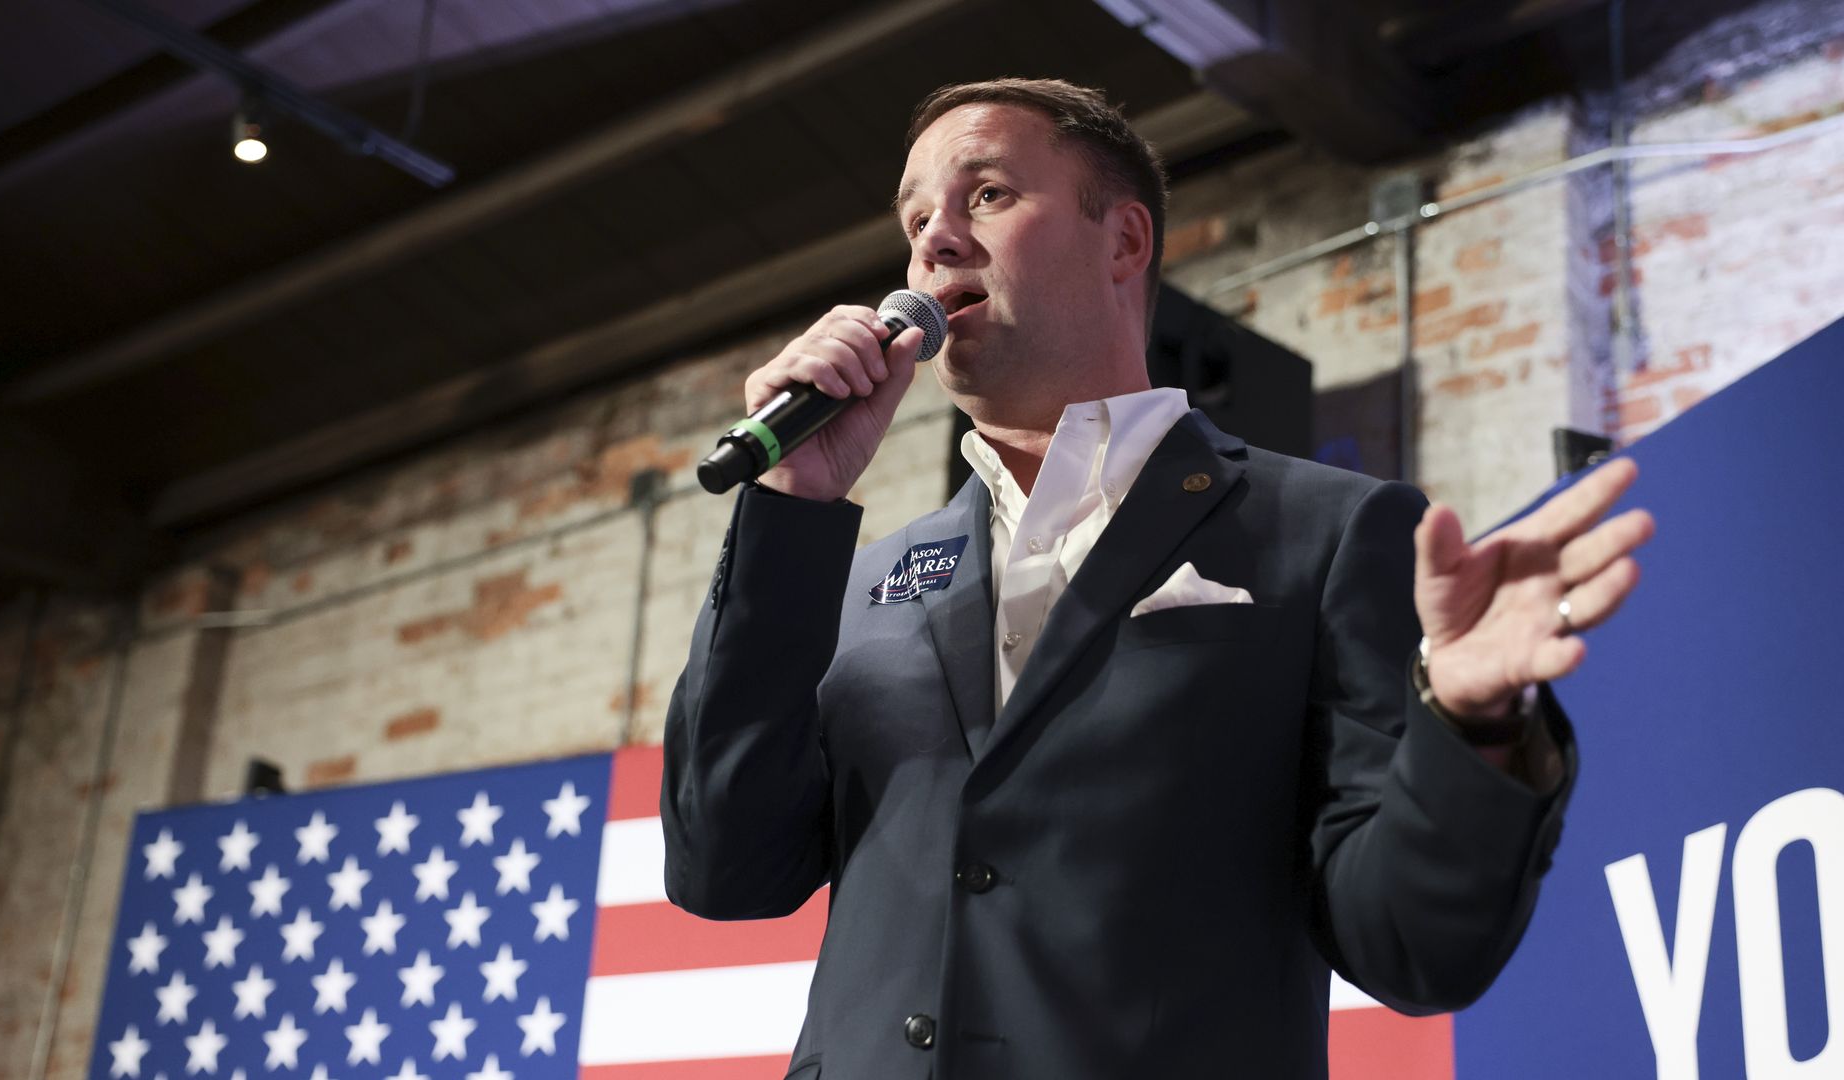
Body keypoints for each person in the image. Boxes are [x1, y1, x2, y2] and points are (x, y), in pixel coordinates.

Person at [661, 78, 1654, 1079]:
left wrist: (1468, 723)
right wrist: (791, 509)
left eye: (987, 194)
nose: (936, 241)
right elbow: (725, 871)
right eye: (916, 220)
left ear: (1124, 242)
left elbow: (1410, 944)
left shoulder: (1326, 531)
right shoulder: (859, 580)